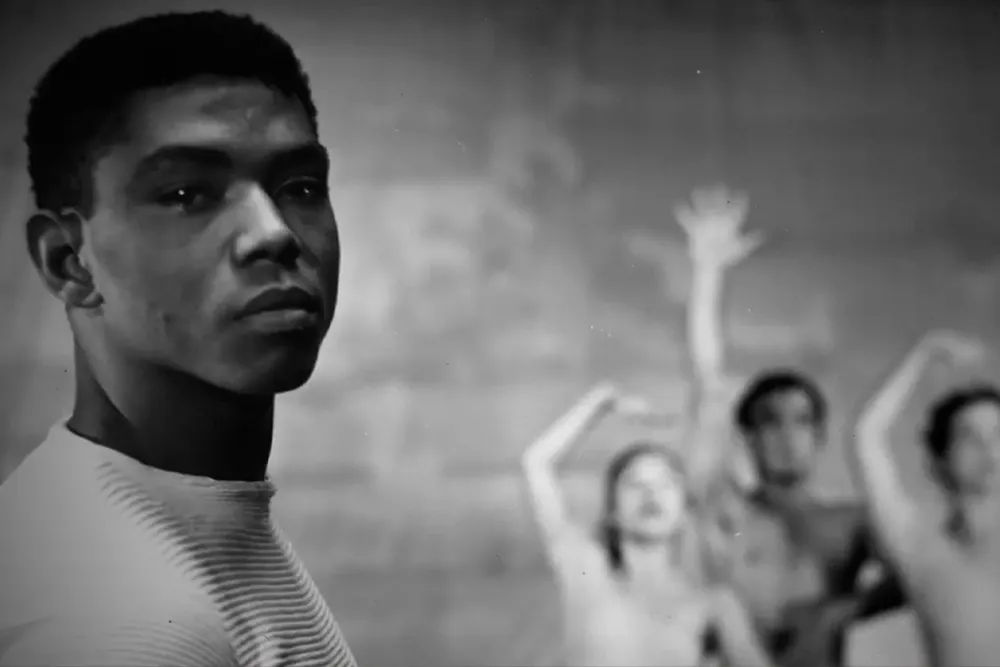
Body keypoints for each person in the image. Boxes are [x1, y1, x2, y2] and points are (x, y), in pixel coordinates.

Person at [0, 11, 355, 667]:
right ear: (69, 261)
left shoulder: (191, 520)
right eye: (188, 192)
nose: (274, 232)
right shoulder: (114, 625)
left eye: (301, 186)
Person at [668, 186, 905, 667]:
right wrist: (707, 275)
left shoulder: (851, 524)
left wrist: (845, 611)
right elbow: (709, 386)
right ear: (748, 437)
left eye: (801, 421)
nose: (786, 436)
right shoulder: (727, 509)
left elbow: (925, 571)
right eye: (769, 423)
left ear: (819, 435)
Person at [521, 385, 773, 667]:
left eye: (665, 485)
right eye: (634, 485)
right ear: (613, 514)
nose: (650, 496)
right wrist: (601, 401)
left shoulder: (713, 605)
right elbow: (536, 463)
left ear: (683, 514)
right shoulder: (586, 573)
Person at [852, 330, 1000, 667]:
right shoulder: (918, 547)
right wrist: (922, 352)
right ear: (939, 461)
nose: (989, 449)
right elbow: (867, 436)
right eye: (970, 436)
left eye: (998, 435)